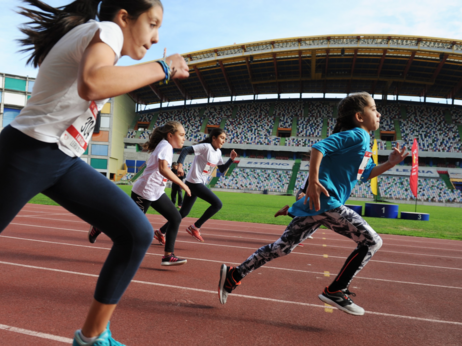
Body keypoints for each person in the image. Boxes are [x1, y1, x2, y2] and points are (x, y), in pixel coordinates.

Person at [0, 0, 189, 346]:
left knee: (136, 233)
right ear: (124, 17)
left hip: (62, 159)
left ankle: (92, 337)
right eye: (152, 24)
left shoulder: (96, 39)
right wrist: (163, 68)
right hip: (28, 153)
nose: (154, 38)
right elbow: (92, 83)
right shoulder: (105, 29)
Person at [218, 92, 408, 316]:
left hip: (316, 206)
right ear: (359, 116)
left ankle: (235, 275)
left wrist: (389, 163)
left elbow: (366, 174)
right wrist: (314, 181)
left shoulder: (365, 142)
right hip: (328, 202)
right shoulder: (357, 135)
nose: (379, 113)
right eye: (374, 109)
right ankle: (336, 290)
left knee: (281, 248)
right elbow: (319, 147)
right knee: (372, 241)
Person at [88, 121, 191, 266]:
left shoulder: (166, 146)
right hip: (144, 192)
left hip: (156, 192)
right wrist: (182, 184)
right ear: (170, 135)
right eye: (181, 135)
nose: (184, 138)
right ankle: (100, 226)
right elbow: (163, 169)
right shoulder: (166, 146)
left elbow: (162, 169)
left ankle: (168, 256)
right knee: (131, 225)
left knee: (175, 218)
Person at [155, 128, 237, 243]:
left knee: (183, 212)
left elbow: (222, 169)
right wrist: (180, 166)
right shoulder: (206, 147)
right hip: (194, 182)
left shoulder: (218, 152)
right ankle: (195, 227)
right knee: (217, 204)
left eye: (225, 139)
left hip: (197, 183)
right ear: (214, 138)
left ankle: (161, 231)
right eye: (222, 138)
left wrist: (231, 159)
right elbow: (185, 150)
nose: (224, 141)